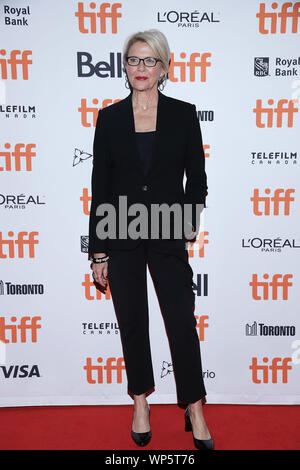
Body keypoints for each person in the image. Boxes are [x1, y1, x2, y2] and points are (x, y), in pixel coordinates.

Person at [88, 29, 213, 450]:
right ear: (125, 66)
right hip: (120, 231)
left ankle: (193, 405)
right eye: (133, 60)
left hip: (166, 230)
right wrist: (98, 249)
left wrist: (187, 223)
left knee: (180, 321)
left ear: (164, 67)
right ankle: (140, 400)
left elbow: (197, 180)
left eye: (149, 61)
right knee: (133, 322)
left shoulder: (183, 113)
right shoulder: (109, 118)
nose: (140, 69)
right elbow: (100, 185)